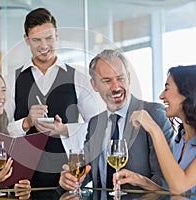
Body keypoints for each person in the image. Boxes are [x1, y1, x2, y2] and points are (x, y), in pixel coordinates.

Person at [4, 8, 99, 187]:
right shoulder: (12, 81)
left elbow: (95, 128)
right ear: (26, 39)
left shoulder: (78, 78)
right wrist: (26, 122)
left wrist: (64, 130)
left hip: (67, 176)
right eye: (36, 40)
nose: (44, 45)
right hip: (23, 179)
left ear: (57, 35)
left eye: (48, 38)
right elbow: (2, 132)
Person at [59, 49, 175, 191]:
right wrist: (70, 180)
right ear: (94, 85)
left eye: (120, 78)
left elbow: (165, 181)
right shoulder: (96, 122)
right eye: (107, 81)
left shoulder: (153, 114)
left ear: (129, 78)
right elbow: (86, 174)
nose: (115, 87)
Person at [115, 65, 196, 194]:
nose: (161, 96)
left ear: (187, 93)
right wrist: (142, 181)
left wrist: (153, 128)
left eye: (167, 88)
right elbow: (176, 193)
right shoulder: (182, 138)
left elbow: (180, 186)